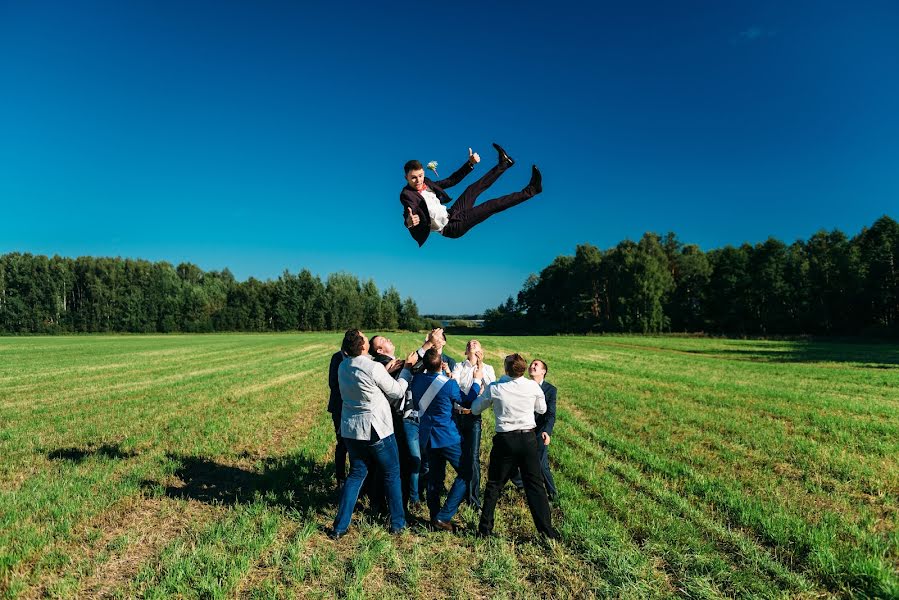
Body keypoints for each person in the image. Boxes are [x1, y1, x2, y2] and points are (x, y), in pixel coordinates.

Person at [331, 329, 417, 538]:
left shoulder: (343, 366)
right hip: (376, 428)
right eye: (363, 337)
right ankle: (398, 523)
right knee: (392, 473)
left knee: (356, 474)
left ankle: (340, 526)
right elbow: (397, 391)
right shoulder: (373, 367)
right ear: (362, 345)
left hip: (352, 430)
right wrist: (405, 370)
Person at [471, 353, 560, 539]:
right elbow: (542, 410)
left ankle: (485, 529)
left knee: (494, 485)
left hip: (505, 440)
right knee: (535, 485)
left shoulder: (495, 388)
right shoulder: (532, 386)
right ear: (523, 369)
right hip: (528, 439)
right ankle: (547, 531)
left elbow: (475, 409)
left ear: (506, 369)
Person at [401, 143, 543, 246]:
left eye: (420, 175)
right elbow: (409, 211)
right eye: (413, 177)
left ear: (423, 173)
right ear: (406, 178)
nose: (418, 180)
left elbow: (451, 180)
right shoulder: (407, 194)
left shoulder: (427, 183)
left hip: (453, 213)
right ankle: (532, 190)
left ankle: (504, 163)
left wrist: (469, 163)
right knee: (491, 206)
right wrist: (409, 221)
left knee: (472, 189)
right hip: (451, 227)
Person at [411, 348, 482, 531]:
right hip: (447, 436)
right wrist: (476, 380)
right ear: (441, 362)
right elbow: (467, 401)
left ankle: (434, 516)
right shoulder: (448, 384)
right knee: (467, 473)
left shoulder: (416, 380)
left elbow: (424, 376)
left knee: (435, 477)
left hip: (427, 435)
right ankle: (443, 516)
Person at [450, 339, 496, 510]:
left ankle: (473, 498)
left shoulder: (488, 368)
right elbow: (453, 386)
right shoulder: (459, 366)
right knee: (459, 456)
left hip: (473, 416)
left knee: (474, 457)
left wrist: (481, 366)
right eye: (469, 343)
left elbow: (491, 387)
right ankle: (460, 490)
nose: (472, 343)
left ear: (481, 350)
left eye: (476, 343)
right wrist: (474, 390)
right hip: (456, 416)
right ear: (465, 351)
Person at [510, 359, 558, 500]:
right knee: (511, 462)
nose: (532, 366)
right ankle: (522, 484)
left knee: (540, 464)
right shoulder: (522, 385)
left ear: (543, 371)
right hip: (520, 430)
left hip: (539, 431)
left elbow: (550, 414)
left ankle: (553, 495)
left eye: (536, 365)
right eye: (531, 364)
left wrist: (546, 431)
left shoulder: (550, 390)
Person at [327, 347, 348, 490]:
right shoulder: (337, 358)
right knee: (342, 444)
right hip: (340, 408)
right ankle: (340, 479)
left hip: (349, 407)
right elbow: (333, 383)